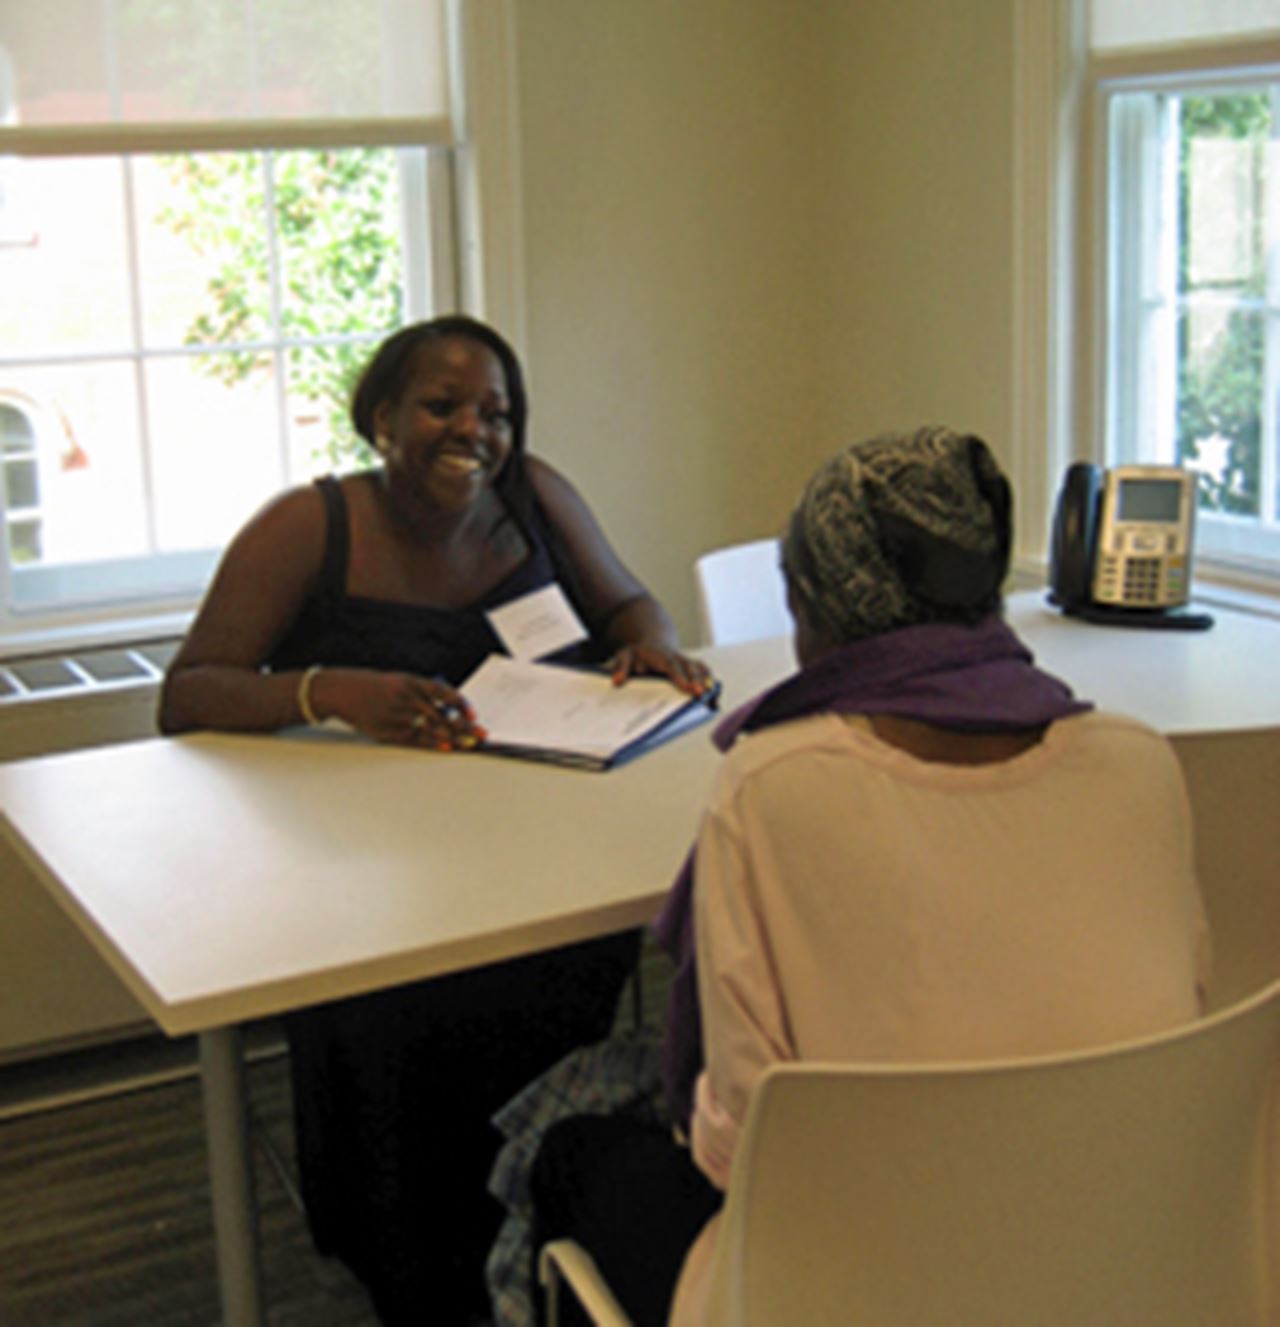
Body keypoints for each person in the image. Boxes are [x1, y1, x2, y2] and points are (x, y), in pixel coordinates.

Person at [526, 426, 1210, 1327]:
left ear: (820, 608)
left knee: (568, 1151)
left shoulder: (777, 784)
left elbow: (735, 1142)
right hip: (1120, 1263)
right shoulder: (1138, 762)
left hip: (849, 1286)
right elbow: (1181, 1013)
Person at [158, 314, 712, 1325]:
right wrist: (328, 692)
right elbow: (188, 691)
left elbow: (632, 603)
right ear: (380, 418)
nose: (474, 431)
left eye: (495, 412)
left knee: (542, 1043)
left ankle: (544, 1223)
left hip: (545, 858)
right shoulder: (310, 524)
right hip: (373, 883)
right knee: (412, 1106)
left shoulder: (535, 498)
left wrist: (649, 648)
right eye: (442, 406)